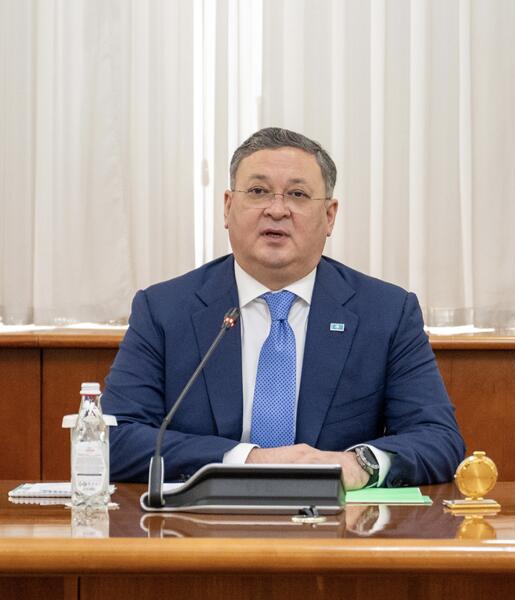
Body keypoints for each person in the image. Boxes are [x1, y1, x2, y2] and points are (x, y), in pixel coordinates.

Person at [101, 127, 465, 489]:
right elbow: (114, 439)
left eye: (298, 194)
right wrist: (248, 461)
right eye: (258, 191)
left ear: (330, 216)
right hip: (201, 521)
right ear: (228, 207)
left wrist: (359, 464)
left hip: (335, 521)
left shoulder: (385, 313)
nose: (277, 210)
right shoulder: (165, 310)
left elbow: (439, 439)